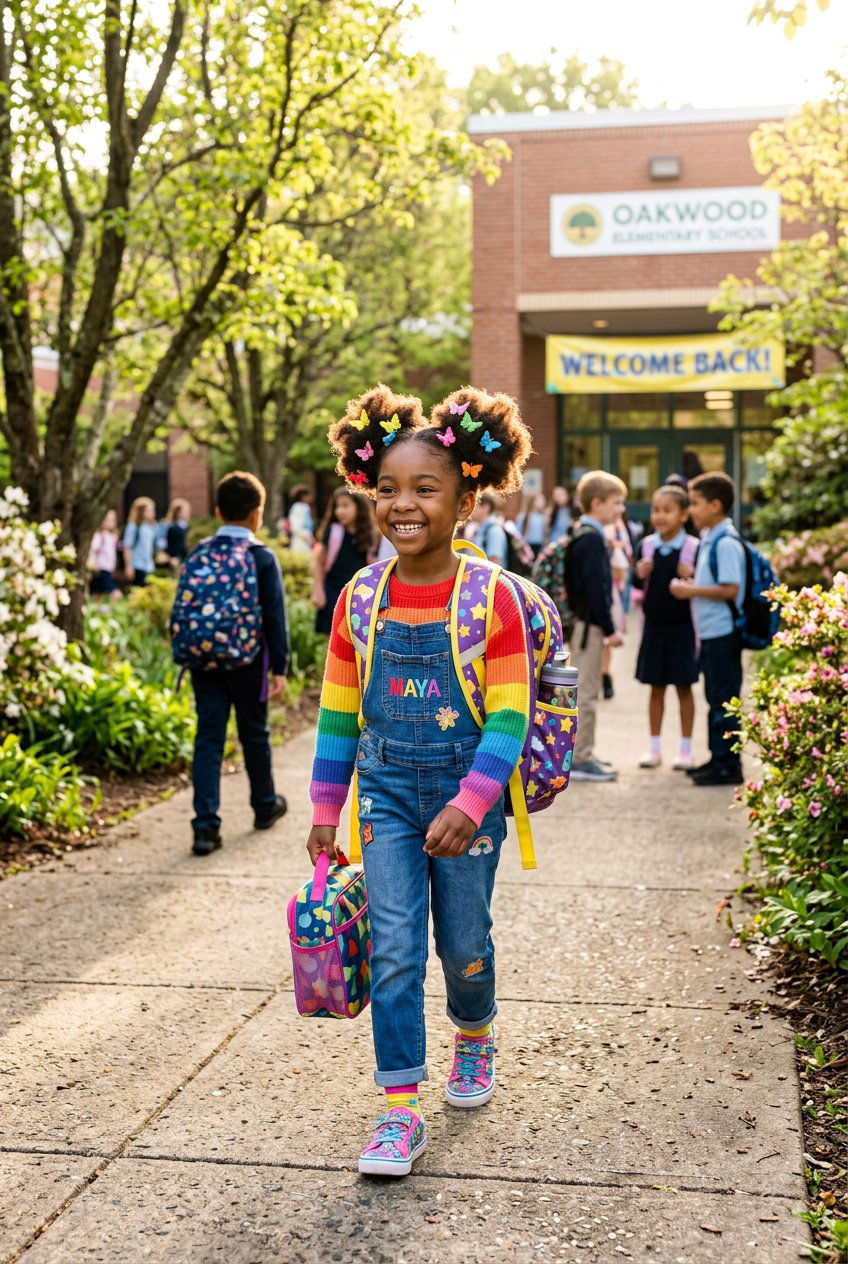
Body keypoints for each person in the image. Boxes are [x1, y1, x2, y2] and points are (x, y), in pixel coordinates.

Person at [307, 383, 533, 1178]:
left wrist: (473, 803)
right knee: (396, 947)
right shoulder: (359, 598)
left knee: (463, 943)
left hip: (467, 795)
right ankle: (399, 1107)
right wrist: (326, 808)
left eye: (425, 489)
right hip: (387, 797)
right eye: (388, 489)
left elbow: (510, 714)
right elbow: (339, 713)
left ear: (465, 501)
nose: (402, 505)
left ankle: (475, 1033)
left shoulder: (491, 598)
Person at [186, 472, 289, 855]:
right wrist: (280, 668)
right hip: (249, 661)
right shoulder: (261, 557)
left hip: (204, 661)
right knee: (254, 734)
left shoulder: (199, 553)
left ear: (217, 511)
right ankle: (264, 806)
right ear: (256, 514)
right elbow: (275, 617)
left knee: (208, 739)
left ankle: (205, 828)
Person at [670, 471, 745, 787]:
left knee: (723, 700)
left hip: (723, 633)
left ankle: (728, 766)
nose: (691, 509)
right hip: (712, 633)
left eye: (696, 503)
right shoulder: (711, 539)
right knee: (716, 698)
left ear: (715, 506)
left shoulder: (725, 543)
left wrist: (691, 590)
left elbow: (730, 589)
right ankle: (718, 758)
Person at [566, 470, 627, 782]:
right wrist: (610, 627)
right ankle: (580, 757)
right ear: (597, 503)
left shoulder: (582, 534)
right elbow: (597, 590)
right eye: (616, 503)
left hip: (583, 624)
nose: (621, 509)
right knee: (587, 693)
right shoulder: (592, 539)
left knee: (586, 690)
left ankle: (584, 752)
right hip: (588, 627)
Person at [632, 485, 699, 771]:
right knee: (655, 687)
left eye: (667, 510)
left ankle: (685, 749)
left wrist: (693, 575)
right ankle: (654, 748)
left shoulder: (694, 547)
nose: (660, 516)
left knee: (684, 687)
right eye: (656, 510)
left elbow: (702, 585)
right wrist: (638, 574)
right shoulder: (646, 546)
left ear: (684, 514)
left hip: (684, 629)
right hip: (654, 628)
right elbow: (637, 585)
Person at [311, 488, 376, 635]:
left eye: (345, 506)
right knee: (332, 635)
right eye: (337, 506)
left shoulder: (370, 534)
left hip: (358, 595)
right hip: (332, 591)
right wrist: (317, 590)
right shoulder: (333, 531)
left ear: (359, 507)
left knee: (356, 635)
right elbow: (318, 563)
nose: (339, 511)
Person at [601, 510, 633, 700]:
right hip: (609, 595)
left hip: (607, 596)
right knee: (605, 640)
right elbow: (621, 572)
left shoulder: (613, 537)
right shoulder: (608, 536)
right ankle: (604, 675)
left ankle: (604, 675)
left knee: (604, 640)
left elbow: (620, 571)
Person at [121, 497, 157, 587]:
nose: (152, 513)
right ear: (141, 511)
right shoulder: (133, 527)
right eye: (149, 510)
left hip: (148, 566)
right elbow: (127, 547)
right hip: (137, 565)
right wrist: (128, 566)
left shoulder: (149, 527)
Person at [88, 509, 121, 600]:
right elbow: (93, 550)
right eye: (108, 520)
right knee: (114, 591)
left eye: (112, 520)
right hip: (101, 568)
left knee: (98, 593)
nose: (110, 523)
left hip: (109, 569)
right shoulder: (99, 535)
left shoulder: (113, 536)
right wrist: (92, 563)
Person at [470, 493, 508, 565]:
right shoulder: (479, 529)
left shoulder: (494, 531)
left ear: (486, 508)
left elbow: (494, 563)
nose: (470, 510)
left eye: (474, 506)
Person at [515, 492, 548, 558]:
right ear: (534, 501)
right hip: (526, 547)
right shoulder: (523, 516)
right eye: (541, 500)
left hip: (540, 547)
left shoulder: (543, 517)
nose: (544, 502)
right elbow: (517, 534)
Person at [284, 485, 315, 554]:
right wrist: (308, 535)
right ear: (303, 496)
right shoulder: (299, 507)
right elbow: (296, 528)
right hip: (300, 543)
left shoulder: (301, 507)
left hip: (304, 542)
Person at [165, 499, 191, 571]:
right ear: (178, 512)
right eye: (185, 511)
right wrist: (172, 558)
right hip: (176, 560)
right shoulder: (172, 528)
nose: (188, 513)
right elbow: (170, 545)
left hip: (187, 559)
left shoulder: (188, 527)